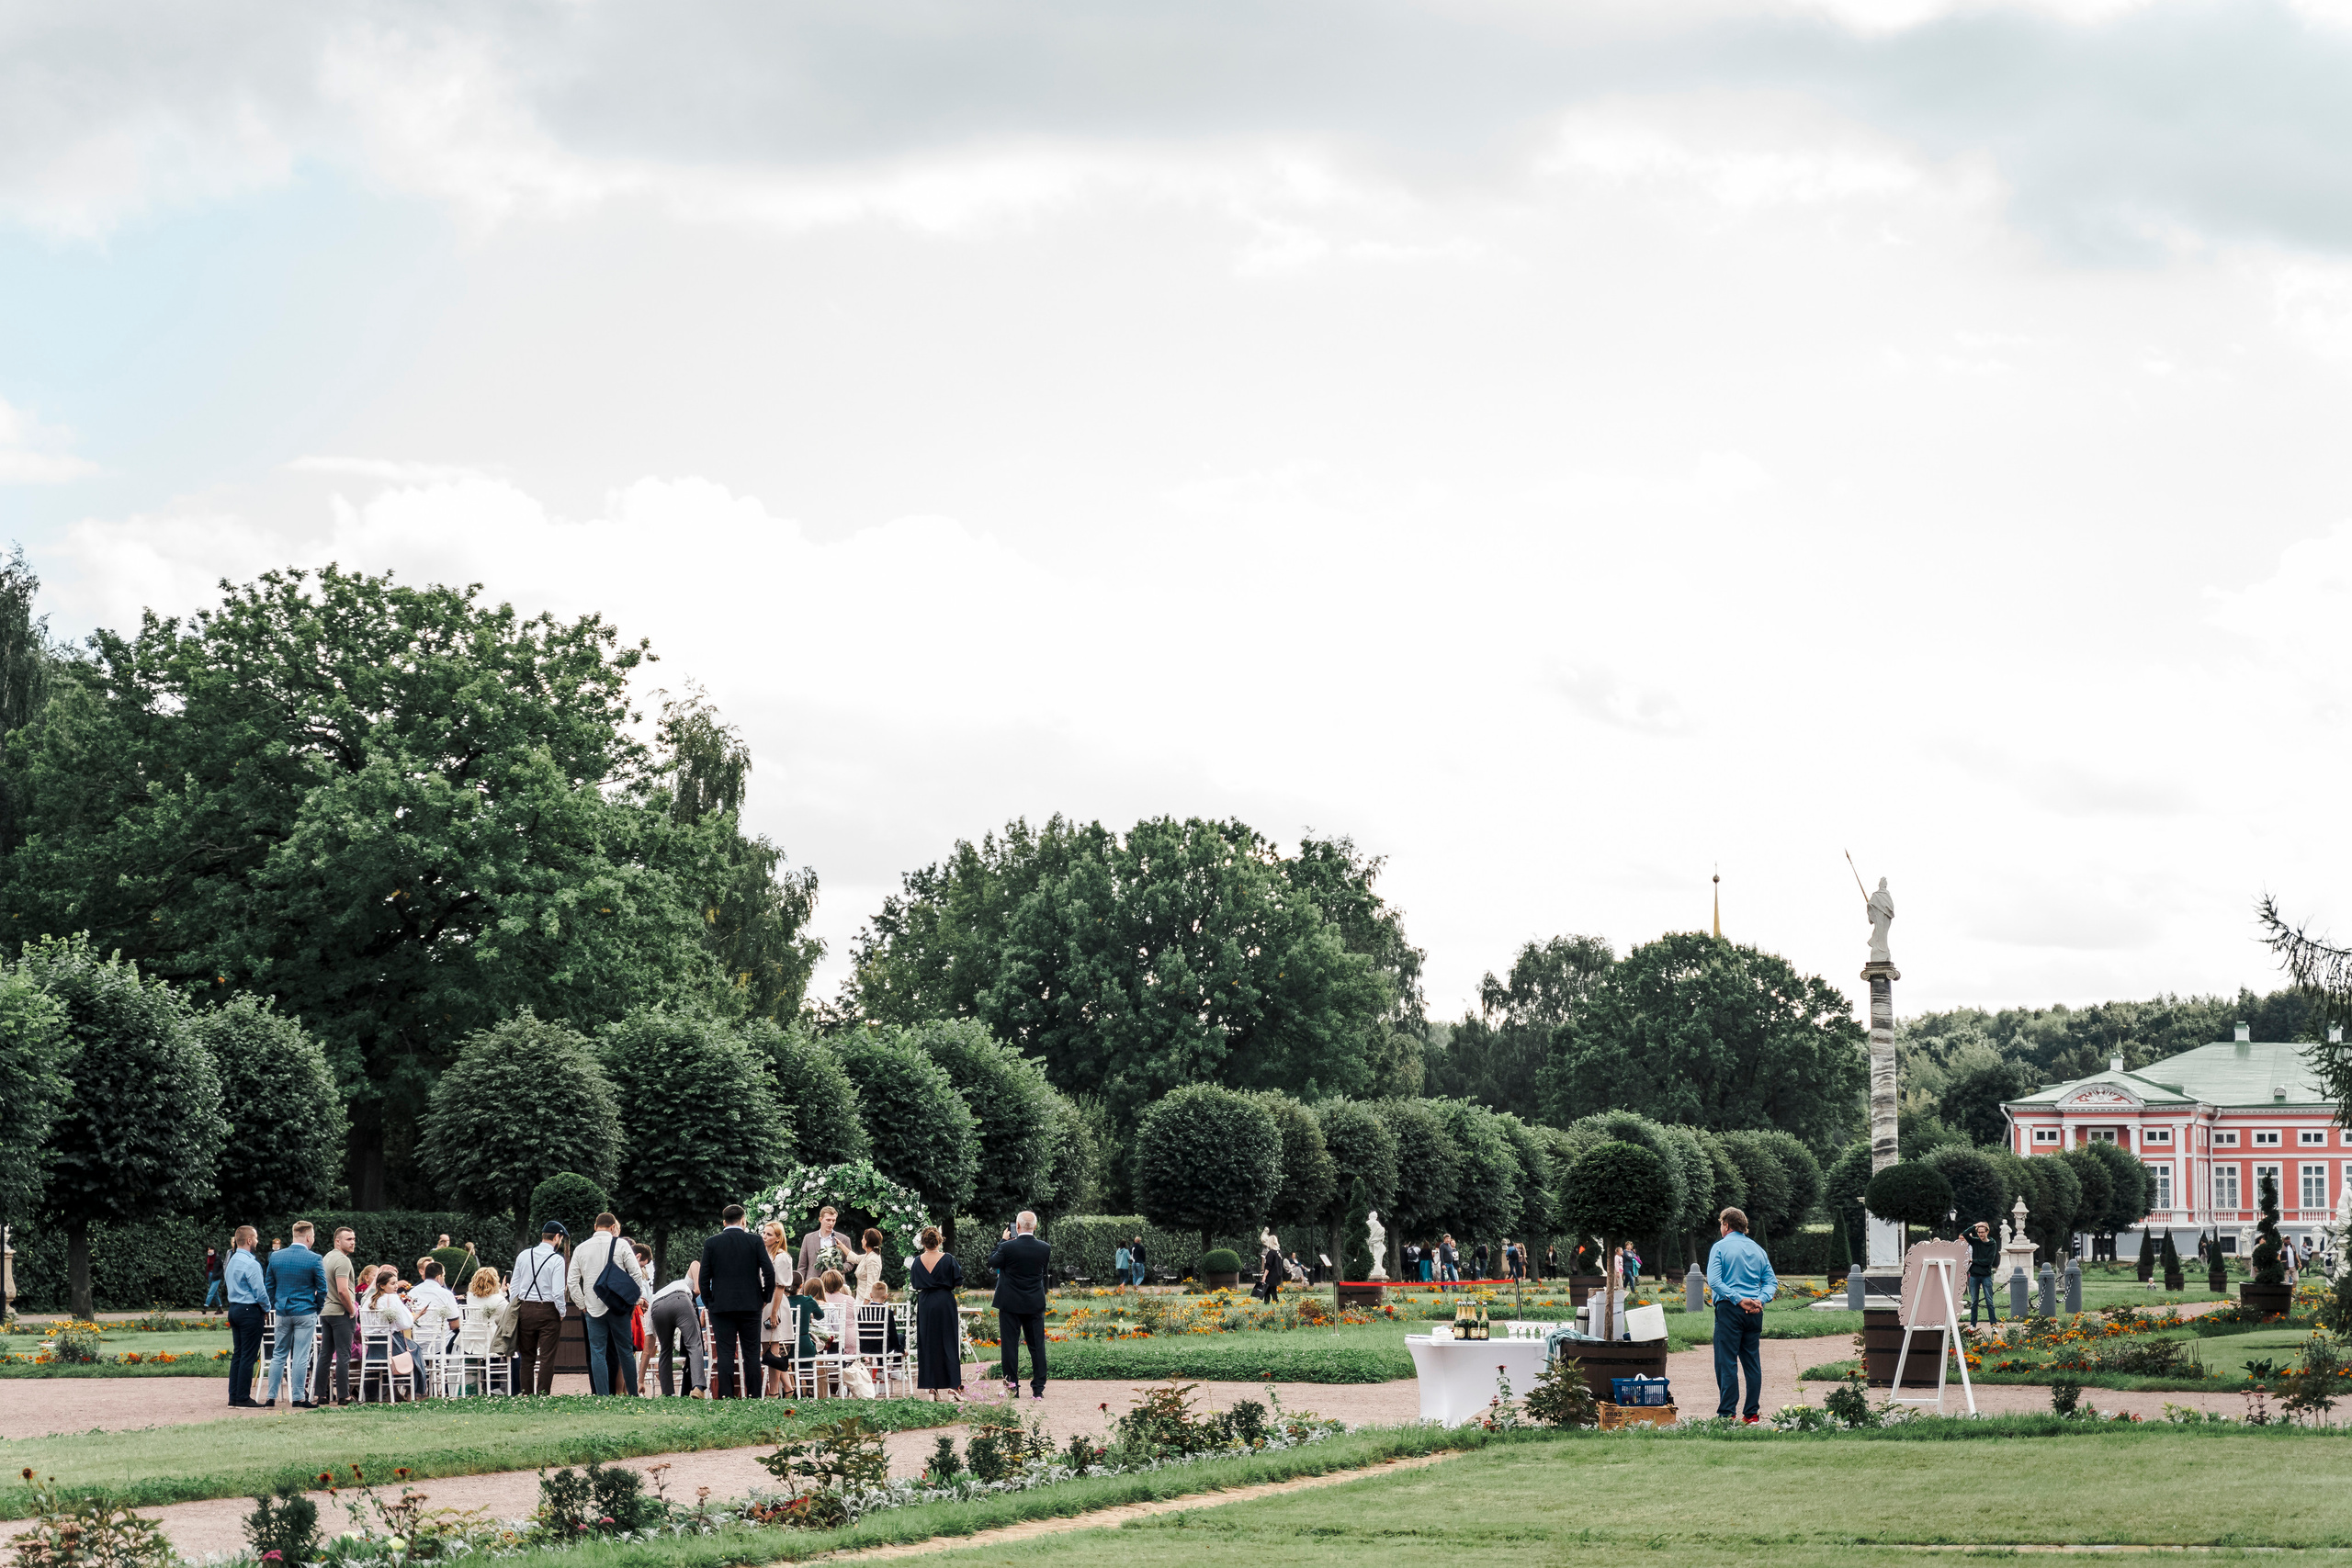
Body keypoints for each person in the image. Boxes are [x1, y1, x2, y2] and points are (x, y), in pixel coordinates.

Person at [567, 1211, 650, 1396]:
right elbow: (636, 1274)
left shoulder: (581, 1248)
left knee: (597, 1352)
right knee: (626, 1351)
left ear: (595, 1227)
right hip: (619, 1306)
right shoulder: (621, 1245)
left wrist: (582, 1304)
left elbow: (572, 1281)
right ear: (613, 1227)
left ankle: (603, 1397)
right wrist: (634, 1300)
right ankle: (633, 1395)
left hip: (593, 1308)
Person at [1706, 1206, 1777, 1424]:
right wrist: (1760, 1299)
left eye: (1721, 1224)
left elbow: (1715, 1281)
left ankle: (1727, 1413)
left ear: (1726, 1225)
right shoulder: (1758, 1249)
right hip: (1755, 1311)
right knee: (1752, 1363)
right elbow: (1771, 1281)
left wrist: (1737, 1299)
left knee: (1726, 1362)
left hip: (1730, 1309)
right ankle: (1752, 1414)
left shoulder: (1720, 1247)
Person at [699, 1202, 777, 1398]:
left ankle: (726, 1396)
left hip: (721, 1305)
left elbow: (703, 1277)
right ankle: (753, 1396)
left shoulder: (712, 1243)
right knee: (751, 1352)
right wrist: (765, 1297)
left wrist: (709, 1301)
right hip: (751, 1304)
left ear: (724, 1221)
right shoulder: (755, 1241)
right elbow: (769, 1271)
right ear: (743, 1220)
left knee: (724, 1353)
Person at [263, 1220, 328, 1409]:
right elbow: (322, 1288)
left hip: (283, 1311)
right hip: (305, 1310)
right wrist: (317, 1307)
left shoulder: (276, 1257)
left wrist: (277, 1303)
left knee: (278, 1354)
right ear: (309, 1237)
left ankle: (270, 1397)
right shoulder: (314, 1258)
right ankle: (298, 1397)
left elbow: (269, 1285)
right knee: (300, 1355)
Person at [992, 1211, 1051, 1401]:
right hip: (1034, 1302)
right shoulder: (1044, 1248)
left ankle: (1012, 1388)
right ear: (1035, 1226)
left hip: (1010, 1303)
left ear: (1016, 1227)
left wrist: (1002, 1241)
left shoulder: (1008, 1247)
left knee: (1009, 1346)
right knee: (1037, 1346)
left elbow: (992, 1262)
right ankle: (1038, 1389)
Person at [510, 1221, 571, 1395]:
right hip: (548, 1310)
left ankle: (526, 1394)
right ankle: (543, 1394)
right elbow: (558, 1291)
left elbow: (514, 1287)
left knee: (527, 1357)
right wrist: (562, 1312)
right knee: (547, 1357)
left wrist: (516, 1307)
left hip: (526, 1308)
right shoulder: (557, 1260)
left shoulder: (524, 1255)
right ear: (557, 1237)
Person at [910, 1225, 964, 1402]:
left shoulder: (917, 1261)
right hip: (944, 1301)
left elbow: (915, 1283)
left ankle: (932, 1388)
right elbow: (958, 1282)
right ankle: (952, 1388)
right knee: (949, 1342)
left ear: (923, 1242)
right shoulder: (948, 1259)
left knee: (928, 1343)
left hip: (926, 1303)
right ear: (939, 1240)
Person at [312, 1226, 360, 1406]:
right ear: (337, 1241)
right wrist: (352, 1310)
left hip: (326, 1311)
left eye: (353, 1238)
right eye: (348, 1239)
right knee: (343, 1355)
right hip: (340, 1312)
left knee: (325, 1354)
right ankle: (343, 1395)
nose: (353, 1242)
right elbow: (342, 1290)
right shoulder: (343, 1261)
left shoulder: (326, 1258)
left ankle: (321, 1394)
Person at [224, 1226, 267, 1406]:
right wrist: (266, 1307)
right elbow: (259, 1291)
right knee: (249, 1355)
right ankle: (242, 1397)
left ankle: (233, 1395)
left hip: (234, 1308)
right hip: (249, 1310)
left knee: (239, 1354)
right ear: (249, 1240)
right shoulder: (251, 1263)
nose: (257, 1241)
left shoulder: (232, 1261)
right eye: (255, 1238)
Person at [650, 1262, 706, 1397]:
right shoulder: (695, 1268)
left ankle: (668, 1393)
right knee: (694, 1343)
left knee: (665, 1349)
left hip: (656, 1305)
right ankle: (698, 1387)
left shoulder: (662, 1291)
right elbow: (698, 1289)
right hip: (680, 1298)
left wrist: (640, 1380)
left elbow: (648, 1343)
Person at [364, 1267, 419, 1400]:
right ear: (382, 1286)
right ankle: (415, 1390)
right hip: (392, 1345)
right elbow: (406, 1323)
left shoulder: (368, 1301)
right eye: (393, 1284)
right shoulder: (392, 1299)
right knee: (416, 1350)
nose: (396, 1287)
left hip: (373, 1347)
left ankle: (381, 1392)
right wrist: (416, 1315)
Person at [798, 1206, 861, 1280]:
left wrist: (838, 1269)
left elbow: (850, 1263)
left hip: (835, 1283)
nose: (831, 1223)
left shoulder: (844, 1239)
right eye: (828, 1220)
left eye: (833, 1220)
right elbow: (802, 1266)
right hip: (813, 1283)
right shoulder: (808, 1238)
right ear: (820, 1219)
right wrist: (799, 1287)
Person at [1962, 1220, 2001, 1325]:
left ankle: (1993, 1324)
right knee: (1974, 1302)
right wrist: (1975, 1225)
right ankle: (1973, 1324)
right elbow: (1965, 1234)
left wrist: (1974, 1261)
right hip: (1974, 1275)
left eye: (1982, 1232)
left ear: (1987, 1232)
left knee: (1989, 1301)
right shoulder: (1975, 1242)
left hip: (1986, 1275)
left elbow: (1988, 1261)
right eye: (1979, 1232)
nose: (1980, 1234)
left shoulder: (1992, 1244)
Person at [854, 1228, 886, 1300]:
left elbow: (871, 1284)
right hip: (860, 1296)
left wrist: (865, 1303)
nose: (861, 1241)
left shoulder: (873, 1259)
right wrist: (841, 1246)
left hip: (865, 1300)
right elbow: (855, 1258)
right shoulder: (868, 1256)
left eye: (863, 1238)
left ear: (867, 1241)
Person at [1258, 1233, 1283, 1303]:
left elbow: (1268, 1266)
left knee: (1272, 1290)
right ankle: (1266, 1302)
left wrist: (1264, 1276)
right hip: (1277, 1274)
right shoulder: (1279, 1252)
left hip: (1271, 1275)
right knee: (1268, 1290)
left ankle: (1275, 1301)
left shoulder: (1271, 1253)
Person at [203, 1246, 224, 1311]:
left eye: (211, 1249)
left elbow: (221, 1268)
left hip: (216, 1276)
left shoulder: (218, 1257)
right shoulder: (208, 1257)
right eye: (208, 1249)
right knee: (215, 1292)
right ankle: (220, 1306)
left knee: (211, 1291)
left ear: (214, 1250)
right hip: (210, 1274)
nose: (209, 1251)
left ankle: (206, 1306)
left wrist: (219, 1274)